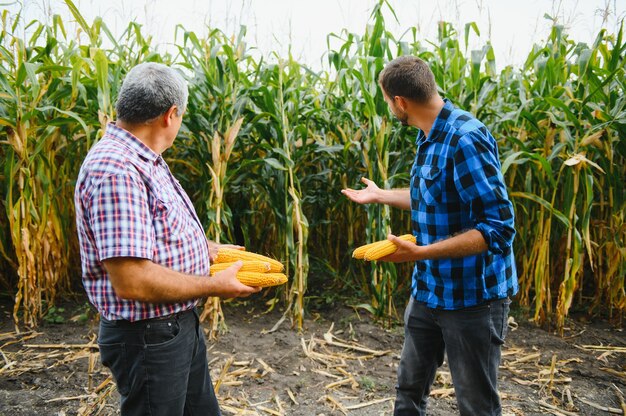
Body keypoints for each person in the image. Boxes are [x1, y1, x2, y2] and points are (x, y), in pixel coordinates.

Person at [74, 62, 261, 416]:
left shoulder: (144, 158)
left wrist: (204, 249)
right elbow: (132, 280)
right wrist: (212, 285)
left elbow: (151, 233)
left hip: (174, 328)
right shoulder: (116, 169)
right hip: (148, 337)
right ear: (170, 115)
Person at [342, 56, 517, 416]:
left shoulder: (465, 138)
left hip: (472, 298)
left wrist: (421, 253)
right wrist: (381, 194)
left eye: (388, 102)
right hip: (429, 291)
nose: (390, 108)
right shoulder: (429, 134)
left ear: (400, 102)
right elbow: (433, 196)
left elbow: (499, 228)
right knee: (408, 392)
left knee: (476, 405)